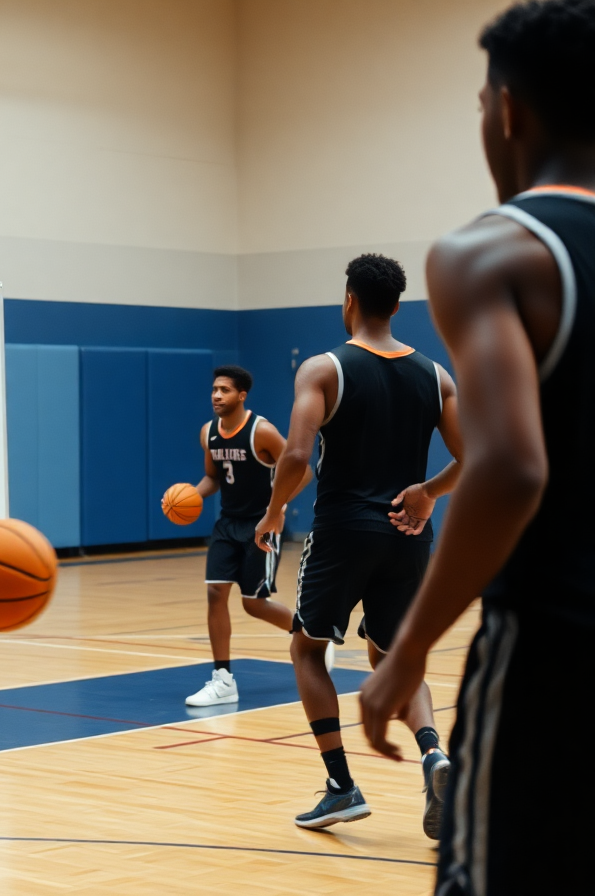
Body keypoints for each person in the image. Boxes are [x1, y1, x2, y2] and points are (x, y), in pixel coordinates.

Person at [360, 2, 594, 892]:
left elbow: (510, 467)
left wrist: (410, 649)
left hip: (556, 650)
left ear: (507, 110)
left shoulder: (490, 253)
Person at [255, 253, 462, 835]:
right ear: (396, 305)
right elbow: (475, 456)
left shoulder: (323, 369)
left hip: (343, 531)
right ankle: (433, 753)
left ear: (349, 299)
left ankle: (341, 786)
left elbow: (297, 456)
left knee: (307, 649)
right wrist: (427, 493)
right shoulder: (436, 375)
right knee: (395, 657)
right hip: (408, 534)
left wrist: (274, 512)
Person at [185, 365, 318, 707]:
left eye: (225, 390)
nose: (216, 396)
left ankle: (310, 636)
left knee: (253, 603)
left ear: (241, 395)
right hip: (227, 525)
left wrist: (279, 505)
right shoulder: (208, 433)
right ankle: (223, 679)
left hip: (261, 526)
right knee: (215, 593)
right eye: (214, 389)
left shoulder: (262, 432)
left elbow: (303, 471)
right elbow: (213, 478)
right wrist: (189, 496)